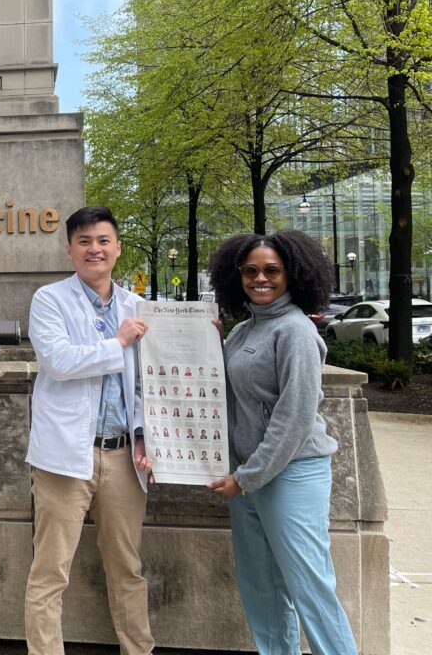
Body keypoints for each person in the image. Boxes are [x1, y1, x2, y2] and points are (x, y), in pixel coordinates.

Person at [205, 230, 357, 655]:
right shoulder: (241, 333)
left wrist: (247, 477)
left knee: (311, 589)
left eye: (272, 270)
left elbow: (294, 417)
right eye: (250, 270)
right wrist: (204, 343)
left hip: (291, 475)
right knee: (263, 589)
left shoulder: (296, 333)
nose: (260, 278)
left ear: (292, 274)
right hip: (248, 477)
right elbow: (226, 397)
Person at [25, 205, 155, 655]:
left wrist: (143, 437)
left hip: (123, 458)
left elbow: (142, 384)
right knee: (50, 571)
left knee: (127, 568)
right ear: (69, 250)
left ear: (117, 248)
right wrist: (117, 342)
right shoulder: (49, 300)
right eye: (84, 241)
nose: (94, 249)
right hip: (66, 456)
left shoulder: (136, 305)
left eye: (103, 240)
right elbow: (58, 362)